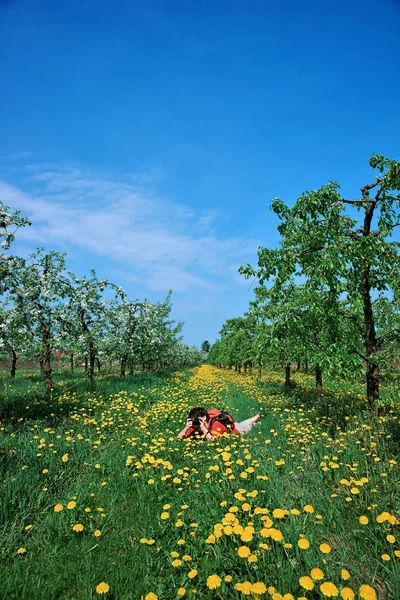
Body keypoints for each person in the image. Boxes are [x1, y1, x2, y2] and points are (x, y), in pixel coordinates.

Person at [177, 406, 261, 440]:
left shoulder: (216, 425)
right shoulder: (195, 426)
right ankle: (255, 417)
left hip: (236, 430)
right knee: (243, 423)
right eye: (193, 420)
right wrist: (186, 427)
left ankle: (256, 420)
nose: (196, 423)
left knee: (248, 425)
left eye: (197, 420)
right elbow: (179, 438)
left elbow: (215, 443)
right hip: (235, 425)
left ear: (204, 418)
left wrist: (204, 430)